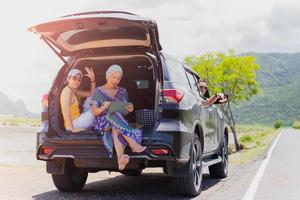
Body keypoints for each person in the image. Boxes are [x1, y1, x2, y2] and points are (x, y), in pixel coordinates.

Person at [91, 64, 146, 171]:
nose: (115, 80)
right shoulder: (98, 91)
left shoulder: (123, 91)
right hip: (101, 121)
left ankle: (120, 161)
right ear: (107, 76)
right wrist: (104, 108)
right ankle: (133, 144)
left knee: (115, 128)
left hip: (117, 121)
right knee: (112, 114)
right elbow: (94, 112)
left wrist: (128, 108)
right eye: (113, 77)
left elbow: (124, 111)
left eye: (118, 79)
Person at [60, 67, 96, 133]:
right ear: (69, 78)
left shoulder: (74, 90)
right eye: (74, 78)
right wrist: (71, 129)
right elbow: (65, 110)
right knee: (96, 110)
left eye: (79, 80)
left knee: (91, 98)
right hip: (73, 124)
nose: (77, 81)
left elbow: (91, 94)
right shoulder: (67, 91)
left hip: (78, 119)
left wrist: (92, 80)